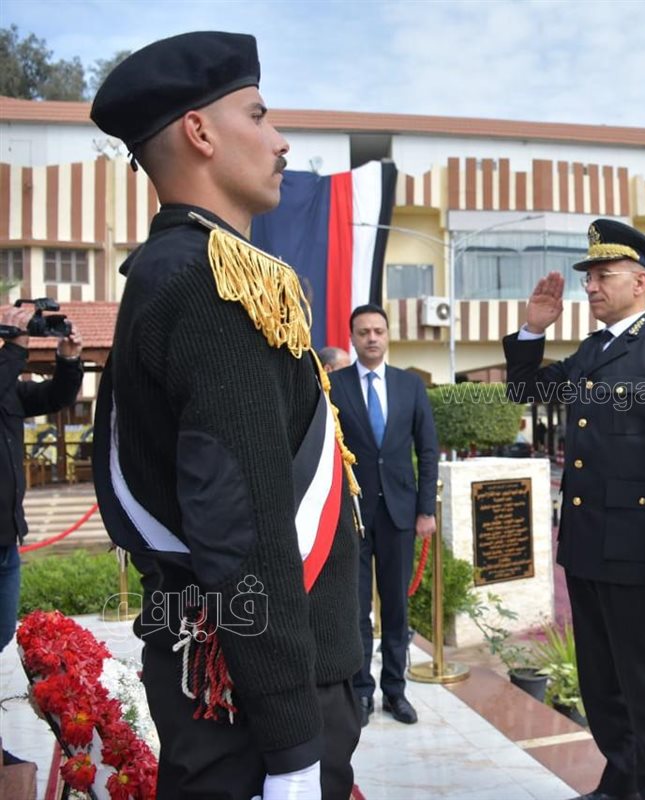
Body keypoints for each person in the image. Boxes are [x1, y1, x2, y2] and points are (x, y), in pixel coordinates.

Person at [89, 32, 362, 798]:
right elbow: (243, 532)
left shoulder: (175, 269)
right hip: (250, 703)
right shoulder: (212, 282)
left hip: (227, 679)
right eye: (259, 115)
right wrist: (294, 751)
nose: (280, 142)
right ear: (200, 132)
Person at [504, 219, 645, 800]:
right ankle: (621, 784)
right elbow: (525, 392)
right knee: (602, 686)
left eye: (602, 275)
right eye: (588, 277)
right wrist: (531, 330)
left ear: (639, 282)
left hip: (639, 556)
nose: (589, 286)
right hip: (589, 547)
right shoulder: (593, 351)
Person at [329, 303, 438, 727]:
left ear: (387, 335)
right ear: (353, 338)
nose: (372, 338)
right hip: (352, 516)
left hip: (400, 515)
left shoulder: (410, 386)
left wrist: (425, 510)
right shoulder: (334, 386)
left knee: (395, 607)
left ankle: (395, 691)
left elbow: (427, 450)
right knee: (355, 609)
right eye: (363, 332)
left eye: (378, 330)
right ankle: (361, 692)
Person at [1, 308, 83, 765]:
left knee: (0, 642)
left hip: (7, 540)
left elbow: (53, 396)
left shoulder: (7, 388)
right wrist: (16, 346)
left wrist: (67, 360)